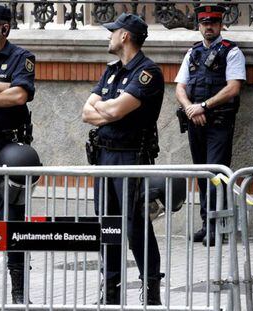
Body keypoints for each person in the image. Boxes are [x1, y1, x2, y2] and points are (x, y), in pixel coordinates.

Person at [82, 13, 164, 305]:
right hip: (104, 156)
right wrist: (110, 109)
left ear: (125, 36)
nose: (109, 36)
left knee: (135, 224)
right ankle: (112, 290)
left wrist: (106, 110)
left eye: (112, 31)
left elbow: (114, 112)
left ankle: (151, 289)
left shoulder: (148, 73)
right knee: (107, 224)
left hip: (131, 158)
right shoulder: (112, 71)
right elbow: (85, 112)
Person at [175, 5, 246, 246]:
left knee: (217, 174)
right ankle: (207, 224)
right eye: (204, 22)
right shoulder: (192, 53)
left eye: (213, 22)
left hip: (218, 123)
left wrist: (203, 106)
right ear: (198, 25)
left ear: (221, 24)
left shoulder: (231, 52)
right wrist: (189, 108)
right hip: (195, 122)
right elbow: (180, 88)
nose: (208, 26)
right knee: (203, 175)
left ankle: (218, 226)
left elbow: (233, 88)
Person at [0, 3, 36, 304]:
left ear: (4, 27)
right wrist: (0, 88)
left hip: (7, 148)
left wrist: (8, 90)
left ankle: (19, 292)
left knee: (12, 221)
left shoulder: (21, 57)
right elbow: (8, 93)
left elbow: (19, 95)